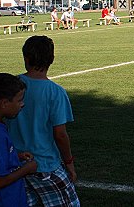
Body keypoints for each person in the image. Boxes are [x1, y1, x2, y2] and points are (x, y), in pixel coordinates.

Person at [7, 36, 80, 207]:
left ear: (26, 58)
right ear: (52, 59)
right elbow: (60, 134)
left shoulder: (11, 86)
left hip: (14, 163)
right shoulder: (56, 92)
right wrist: (69, 162)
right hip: (45, 165)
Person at [0, 73, 38, 206]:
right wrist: (27, 169)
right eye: (19, 100)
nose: (22, 104)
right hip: (4, 201)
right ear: (4, 103)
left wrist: (16, 156)